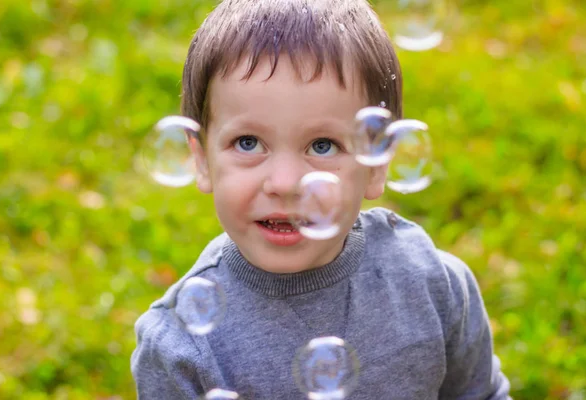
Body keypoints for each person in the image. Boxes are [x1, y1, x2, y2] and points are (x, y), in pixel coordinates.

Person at [131, 0, 512, 398]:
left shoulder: (431, 285)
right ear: (201, 159)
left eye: (323, 146)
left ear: (377, 162)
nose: (285, 182)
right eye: (248, 142)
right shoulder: (179, 350)